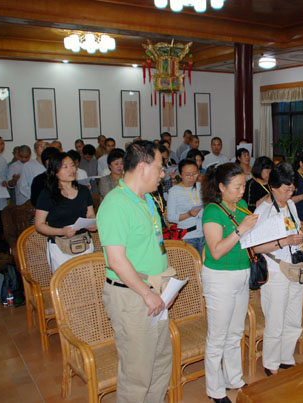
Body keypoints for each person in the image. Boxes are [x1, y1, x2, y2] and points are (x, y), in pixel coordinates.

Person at [97, 140, 173, 402]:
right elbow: (116, 261)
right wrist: (146, 293)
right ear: (143, 167)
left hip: (156, 290)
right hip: (133, 295)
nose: (163, 174)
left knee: (160, 360)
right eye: (160, 167)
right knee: (137, 371)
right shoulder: (115, 204)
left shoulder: (148, 199)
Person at [201, 163, 258, 403]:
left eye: (244, 185)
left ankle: (233, 377)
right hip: (220, 278)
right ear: (221, 187)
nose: (242, 191)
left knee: (236, 331)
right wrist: (241, 230)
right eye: (236, 187)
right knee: (218, 335)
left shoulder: (242, 206)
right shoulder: (212, 212)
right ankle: (214, 389)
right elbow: (215, 251)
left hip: (241, 273)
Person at [252, 162, 303, 376]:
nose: (290, 193)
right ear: (273, 186)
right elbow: (255, 246)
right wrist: (284, 241)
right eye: (286, 189)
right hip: (276, 268)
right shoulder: (263, 210)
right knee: (276, 318)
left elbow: (294, 228)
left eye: (292, 189)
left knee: (293, 316)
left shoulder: (290, 204)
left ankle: (286, 356)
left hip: (294, 266)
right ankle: (271, 362)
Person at [34, 152, 96, 273]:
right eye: (65, 167)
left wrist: (92, 223)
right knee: (65, 286)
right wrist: (61, 231)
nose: (71, 170)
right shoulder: (47, 194)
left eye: (72, 165)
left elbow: (90, 214)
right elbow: (39, 225)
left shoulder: (84, 191)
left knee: (87, 284)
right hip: (60, 247)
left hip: (84, 244)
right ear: (55, 170)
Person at [167, 159, 204, 255]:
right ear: (180, 175)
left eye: (194, 173)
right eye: (187, 175)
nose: (191, 177)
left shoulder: (202, 187)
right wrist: (189, 214)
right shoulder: (174, 191)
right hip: (187, 236)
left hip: (204, 233)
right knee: (191, 268)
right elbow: (170, 217)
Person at [16, 140, 47, 205]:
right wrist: (35, 197)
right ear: (35, 150)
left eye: (45, 146)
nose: (44, 148)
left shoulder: (50, 165)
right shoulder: (28, 166)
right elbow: (23, 186)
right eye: (41, 146)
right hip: (34, 200)